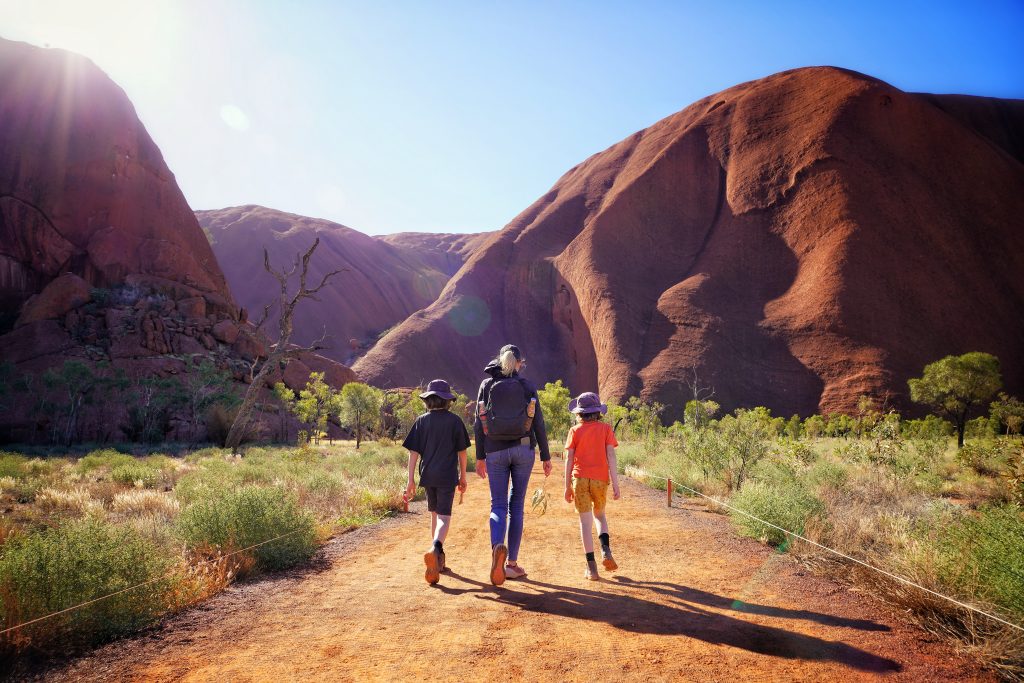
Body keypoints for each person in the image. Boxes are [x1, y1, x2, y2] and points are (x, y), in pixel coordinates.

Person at [475, 344, 552, 585]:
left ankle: (498, 547)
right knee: (515, 505)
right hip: (523, 449)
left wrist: (479, 456)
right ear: (518, 363)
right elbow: (538, 421)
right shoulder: (527, 386)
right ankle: (511, 565)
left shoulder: (486, 385)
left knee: (497, 504)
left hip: (495, 450)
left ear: (500, 361)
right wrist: (546, 456)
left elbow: (479, 423)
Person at [403, 379, 470, 585]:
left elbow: (413, 454)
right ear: (448, 401)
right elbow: (462, 452)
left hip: (428, 476)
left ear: (429, 400)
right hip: (446, 476)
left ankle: (438, 561)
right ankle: (436, 548)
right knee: (444, 517)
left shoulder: (421, 421)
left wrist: (410, 481)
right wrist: (463, 477)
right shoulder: (455, 421)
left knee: (434, 515)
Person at [563, 391, 621, 581]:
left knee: (585, 524)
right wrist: (616, 484)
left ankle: (592, 569)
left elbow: (569, 459)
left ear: (579, 413)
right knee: (600, 516)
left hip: (579, 479)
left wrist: (566, 486)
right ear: (597, 412)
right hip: (600, 479)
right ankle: (605, 549)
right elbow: (611, 456)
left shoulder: (574, 430)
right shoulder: (605, 429)